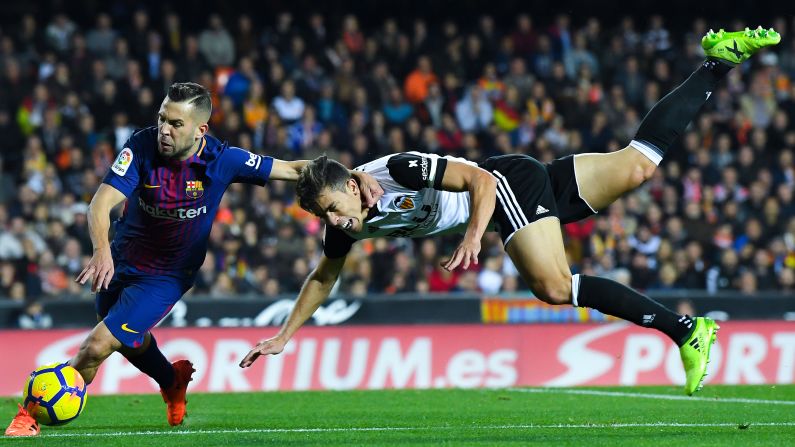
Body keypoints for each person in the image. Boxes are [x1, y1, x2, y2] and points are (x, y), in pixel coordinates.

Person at [239, 28, 780, 395]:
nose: (335, 223)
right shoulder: (347, 223)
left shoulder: (397, 169)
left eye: (333, 209)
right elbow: (323, 275)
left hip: (504, 183)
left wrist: (474, 234)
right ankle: (718, 62)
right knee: (638, 165)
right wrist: (285, 335)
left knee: (550, 285)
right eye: (325, 218)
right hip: (510, 196)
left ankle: (685, 331)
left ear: (353, 186)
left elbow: (478, 179)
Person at [5, 82, 383, 437]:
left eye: (175, 123)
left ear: (200, 129)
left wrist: (355, 175)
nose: (164, 130)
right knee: (128, 338)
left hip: (167, 275)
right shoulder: (140, 146)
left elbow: (297, 169)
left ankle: (29, 414)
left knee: (97, 345)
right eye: (161, 119)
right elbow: (100, 203)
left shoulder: (224, 160)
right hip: (121, 258)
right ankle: (171, 381)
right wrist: (102, 250)